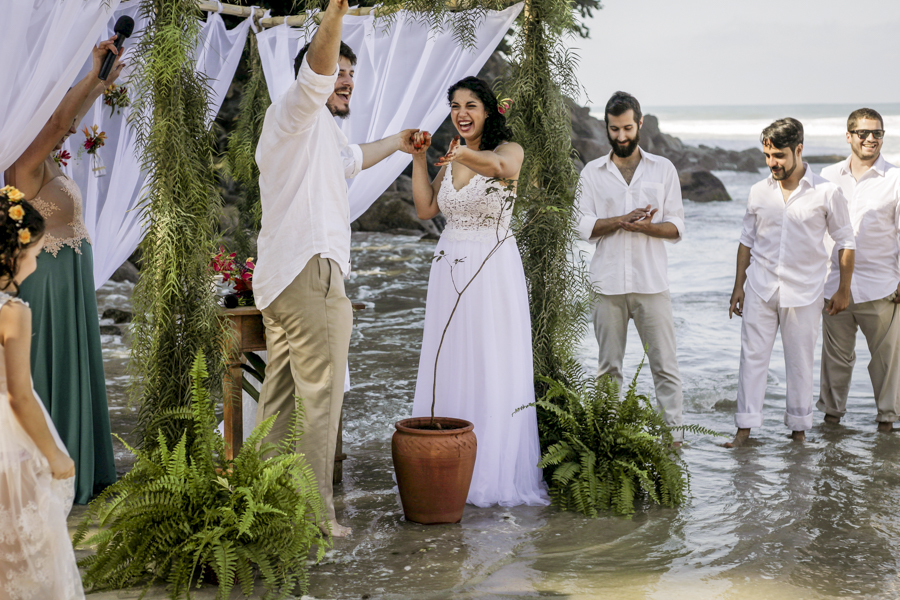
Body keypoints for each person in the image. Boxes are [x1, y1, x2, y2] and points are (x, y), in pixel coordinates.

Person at [252, 0, 420, 537]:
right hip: (309, 274)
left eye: (352, 74)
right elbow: (316, 74)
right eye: (337, 72)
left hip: (281, 280)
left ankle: (264, 508)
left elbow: (353, 160)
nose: (345, 80)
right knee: (322, 398)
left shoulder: (317, 132)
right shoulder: (297, 110)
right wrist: (334, 16)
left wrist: (397, 142)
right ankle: (315, 517)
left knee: (279, 402)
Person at [408, 76, 548, 507]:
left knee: (491, 359)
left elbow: (500, 169)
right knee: (449, 357)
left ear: (488, 111)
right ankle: (445, 460)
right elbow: (427, 209)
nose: (461, 113)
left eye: (470, 105)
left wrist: (463, 152)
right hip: (448, 261)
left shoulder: (509, 151)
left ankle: (491, 468)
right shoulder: (450, 156)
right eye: (454, 105)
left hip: (492, 267)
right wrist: (419, 158)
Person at [4, 37, 125, 503]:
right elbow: (59, 121)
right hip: (48, 286)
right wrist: (92, 77)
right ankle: (53, 473)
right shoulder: (22, 164)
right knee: (47, 372)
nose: (67, 125)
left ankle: (81, 465)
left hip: (68, 281)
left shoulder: (47, 157)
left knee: (72, 367)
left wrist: (99, 80)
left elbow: (63, 121)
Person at [727, 118, 855, 447]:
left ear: (799, 150)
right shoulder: (758, 191)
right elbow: (746, 240)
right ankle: (744, 430)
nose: (773, 163)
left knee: (799, 362)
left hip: (804, 291)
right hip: (760, 286)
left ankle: (798, 434)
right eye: (768, 155)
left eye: (780, 155)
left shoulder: (827, 192)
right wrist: (738, 286)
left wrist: (843, 289)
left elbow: (845, 240)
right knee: (751, 358)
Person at [576, 91, 686, 445]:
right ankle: (609, 442)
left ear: (639, 123)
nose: (621, 137)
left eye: (627, 128)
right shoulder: (593, 173)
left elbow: (676, 227)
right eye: (613, 130)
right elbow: (583, 227)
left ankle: (674, 444)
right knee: (608, 371)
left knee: (665, 369)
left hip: (652, 285)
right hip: (606, 286)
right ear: (605, 127)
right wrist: (620, 221)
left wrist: (645, 228)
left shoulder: (663, 169)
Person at [0, 188, 85, 600]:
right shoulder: (12, 312)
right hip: (9, 437)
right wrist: (54, 454)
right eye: (33, 251)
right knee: (25, 538)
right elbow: (19, 395)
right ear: (10, 256)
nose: (37, 259)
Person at [818, 108, 900, 433]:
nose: (871, 139)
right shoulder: (826, 176)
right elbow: (814, 228)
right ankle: (830, 426)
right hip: (832, 287)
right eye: (864, 133)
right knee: (835, 364)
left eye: (877, 133)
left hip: (881, 287)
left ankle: (887, 430)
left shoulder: (895, 178)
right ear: (849, 136)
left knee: (887, 366)